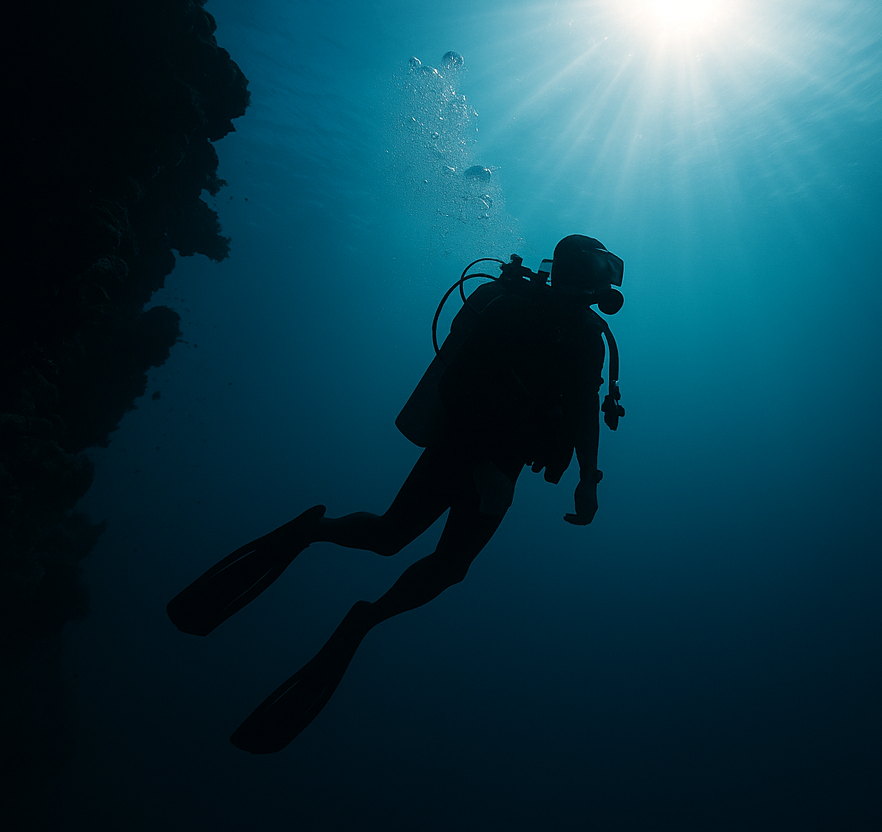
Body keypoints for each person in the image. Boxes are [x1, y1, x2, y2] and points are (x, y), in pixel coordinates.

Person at [167, 235, 625, 753]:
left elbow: (587, 412)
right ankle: (310, 530)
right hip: (461, 449)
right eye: (599, 269)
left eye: (610, 271)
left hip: (504, 467)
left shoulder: (590, 337)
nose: (607, 283)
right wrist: (482, 465)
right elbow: (459, 390)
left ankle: (365, 619)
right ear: (571, 271)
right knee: (389, 537)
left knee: (450, 568)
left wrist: (589, 478)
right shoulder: (515, 311)